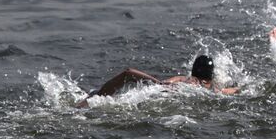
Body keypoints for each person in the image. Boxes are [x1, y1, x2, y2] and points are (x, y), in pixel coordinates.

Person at [78, 54, 236, 106]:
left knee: (128, 74)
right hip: (182, 96)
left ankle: (89, 100)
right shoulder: (212, 89)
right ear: (212, 75)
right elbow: (230, 91)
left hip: (163, 90)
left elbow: (166, 83)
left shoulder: (184, 79)